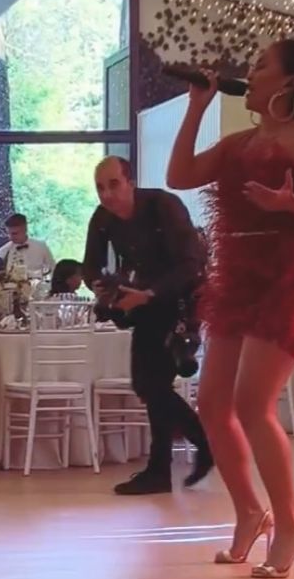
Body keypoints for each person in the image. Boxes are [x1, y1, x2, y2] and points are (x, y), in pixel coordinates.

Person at [167, 39, 294, 578]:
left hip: (286, 277)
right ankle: (251, 513)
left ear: (290, 81)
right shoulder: (238, 143)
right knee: (212, 405)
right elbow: (179, 176)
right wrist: (196, 106)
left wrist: (290, 202)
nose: (249, 75)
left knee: (253, 405)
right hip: (237, 278)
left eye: (260, 66)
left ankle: (292, 523)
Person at [82, 157, 213, 497]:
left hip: (179, 301)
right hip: (143, 305)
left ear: (131, 182)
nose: (106, 194)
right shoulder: (102, 218)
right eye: (100, 187)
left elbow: (191, 265)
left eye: (113, 184)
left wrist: (149, 293)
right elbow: (90, 267)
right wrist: (102, 287)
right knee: (150, 386)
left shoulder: (164, 206)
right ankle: (168, 465)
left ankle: (191, 451)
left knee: (151, 385)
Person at [0, 214, 54, 280]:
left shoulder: (41, 247)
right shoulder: (3, 251)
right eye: (8, 233)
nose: (11, 237)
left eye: (15, 233)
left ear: (25, 229)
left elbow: (52, 269)